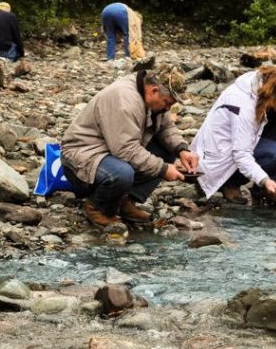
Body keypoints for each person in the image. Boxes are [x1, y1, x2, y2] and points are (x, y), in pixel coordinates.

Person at [60, 66, 200, 228]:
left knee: (168, 150)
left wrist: (182, 150)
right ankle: (97, 207)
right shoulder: (125, 100)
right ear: (154, 91)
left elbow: (166, 128)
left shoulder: (151, 96)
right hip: (81, 158)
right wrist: (163, 169)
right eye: (167, 103)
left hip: (111, 152)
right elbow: (126, 150)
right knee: (122, 173)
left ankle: (123, 201)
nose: (168, 109)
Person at [191, 66, 276, 204]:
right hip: (221, 155)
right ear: (273, 93)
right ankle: (230, 183)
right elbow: (241, 154)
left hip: (248, 138)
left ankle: (262, 188)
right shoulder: (243, 104)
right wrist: (264, 179)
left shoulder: (266, 84)